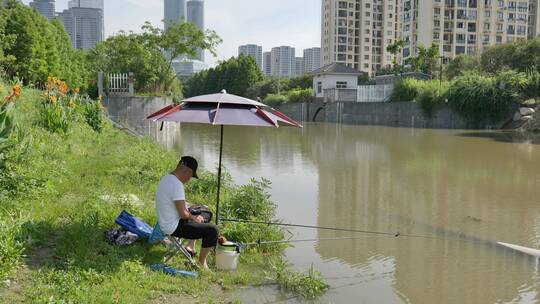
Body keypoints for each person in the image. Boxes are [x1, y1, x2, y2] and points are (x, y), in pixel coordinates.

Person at [155, 156, 219, 269]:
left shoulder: (166, 179)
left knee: (201, 214)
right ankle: (201, 263)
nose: (189, 179)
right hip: (173, 227)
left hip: (165, 222)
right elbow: (183, 214)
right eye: (191, 176)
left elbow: (177, 206)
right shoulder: (177, 184)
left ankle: (191, 247)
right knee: (212, 230)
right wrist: (193, 217)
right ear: (187, 171)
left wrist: (192, 211)